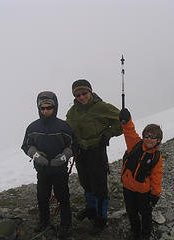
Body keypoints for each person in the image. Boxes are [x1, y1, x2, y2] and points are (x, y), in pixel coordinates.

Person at [66, 79, 122, 234]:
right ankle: (91, 209)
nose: (82, 97)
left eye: (84, 93)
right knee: (86, 182)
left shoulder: (102, 107)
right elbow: (68, 130)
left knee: (99, 185)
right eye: (78, 95)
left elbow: (121, 120)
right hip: (80, 152)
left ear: (90, 91)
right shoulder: (72, 112)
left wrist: (109, 133)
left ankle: (101, 218)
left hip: (97, 150)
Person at [21, 91, 75, 240]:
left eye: (49, 107)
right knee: (42, 197)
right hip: (42, 170)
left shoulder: (63, 126)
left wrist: (64, 156)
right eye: (42, 108)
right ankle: (44, 221)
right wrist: (35, 155)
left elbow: (73, 145)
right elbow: (26, 145)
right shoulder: (32, 127)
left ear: (55, 107)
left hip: (60, 170)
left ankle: (66, 224)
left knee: (63, 197)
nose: (45, 111)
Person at [119, 108, 163, 240]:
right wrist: (126, 121)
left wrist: (155, 194)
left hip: (143, 192)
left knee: (145, 213)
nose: (149, 139)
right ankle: (135, 231)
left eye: (153, 137)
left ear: (158, 140)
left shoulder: (156, 156)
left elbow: (157, 176)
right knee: (131, 211)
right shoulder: (135, 145)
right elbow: (129, 131)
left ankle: (145, 234)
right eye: (147, 136)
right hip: (128, 188)